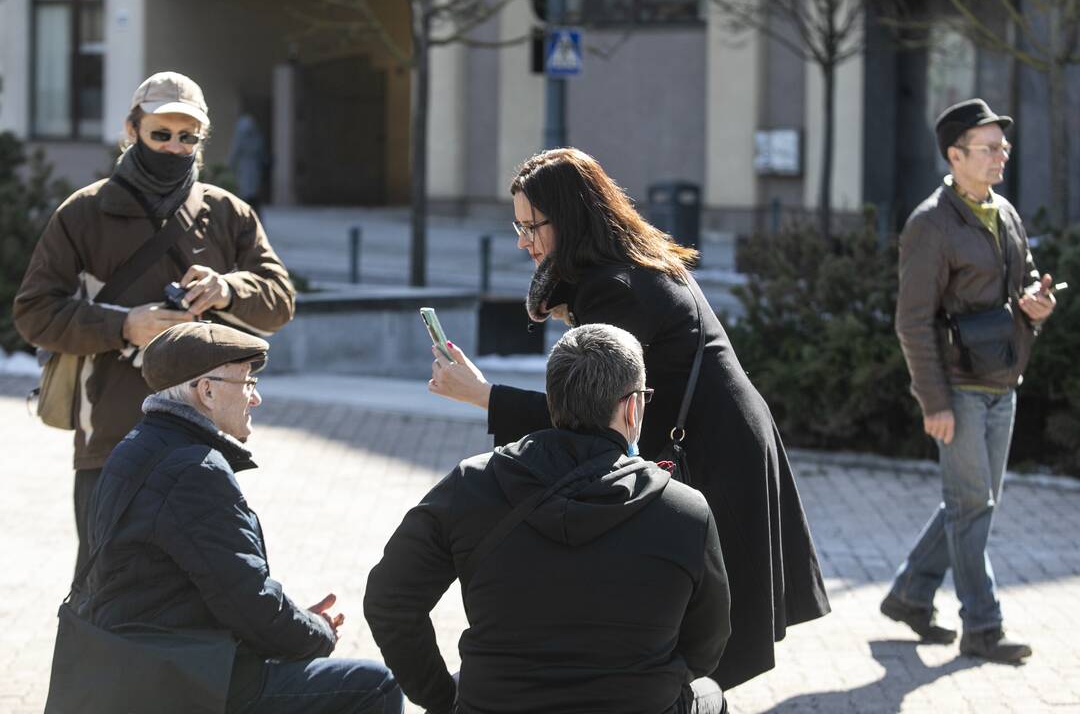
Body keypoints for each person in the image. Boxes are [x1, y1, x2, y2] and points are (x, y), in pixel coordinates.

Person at [426, 148, 829, 690]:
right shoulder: (621, 265)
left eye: (531, 226)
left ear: (568, 219)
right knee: (688, 626)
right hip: (718, 438)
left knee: (704, 637)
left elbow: (587, 410)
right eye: (516, 225)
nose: (522, 241)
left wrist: (484, 396)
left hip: (712, 452)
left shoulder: (615, 287)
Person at [366, 323, 731, 714]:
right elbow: (708, 642)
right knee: (711, 694)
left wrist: (441, 698)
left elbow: (390, 600)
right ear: (633, 406)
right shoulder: (685, 510)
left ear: (553, 400)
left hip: (493, 705)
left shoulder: (470, 486)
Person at [14, 71, 295, 575]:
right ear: (131, 131)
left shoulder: (227, 212)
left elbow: (280, 301)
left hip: (209, 437)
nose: (173, 147)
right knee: (104, 585)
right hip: (112, 435)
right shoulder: (84, 212)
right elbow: (33, 312)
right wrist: (124, 325)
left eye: (188, 138)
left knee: (208, 580)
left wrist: (229, 288)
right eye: (160, 134)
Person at [81, 321, 403, 713]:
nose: (256, 398)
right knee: (374, 686)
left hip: (141, 659)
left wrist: (295, 620)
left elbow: (228, 587)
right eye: (247, 383)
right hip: (188, 677)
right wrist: (316, 633)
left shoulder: (138, 446)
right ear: (208, 390)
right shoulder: (195, 469)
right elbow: (249, 603)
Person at [882, 98, 1055, 663]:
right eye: (990, 147)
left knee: (971, 504)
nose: (1002, 154)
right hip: (957, 386)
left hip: (1003, 378)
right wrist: (933, 399)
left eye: (1003, 146)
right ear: (956, 155)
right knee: (971, 506)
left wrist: (1034, 302)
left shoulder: (1003, 212)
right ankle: (983, 626)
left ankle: (910, 596)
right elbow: (911, 320)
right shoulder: (930, 224)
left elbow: (1023, 277)